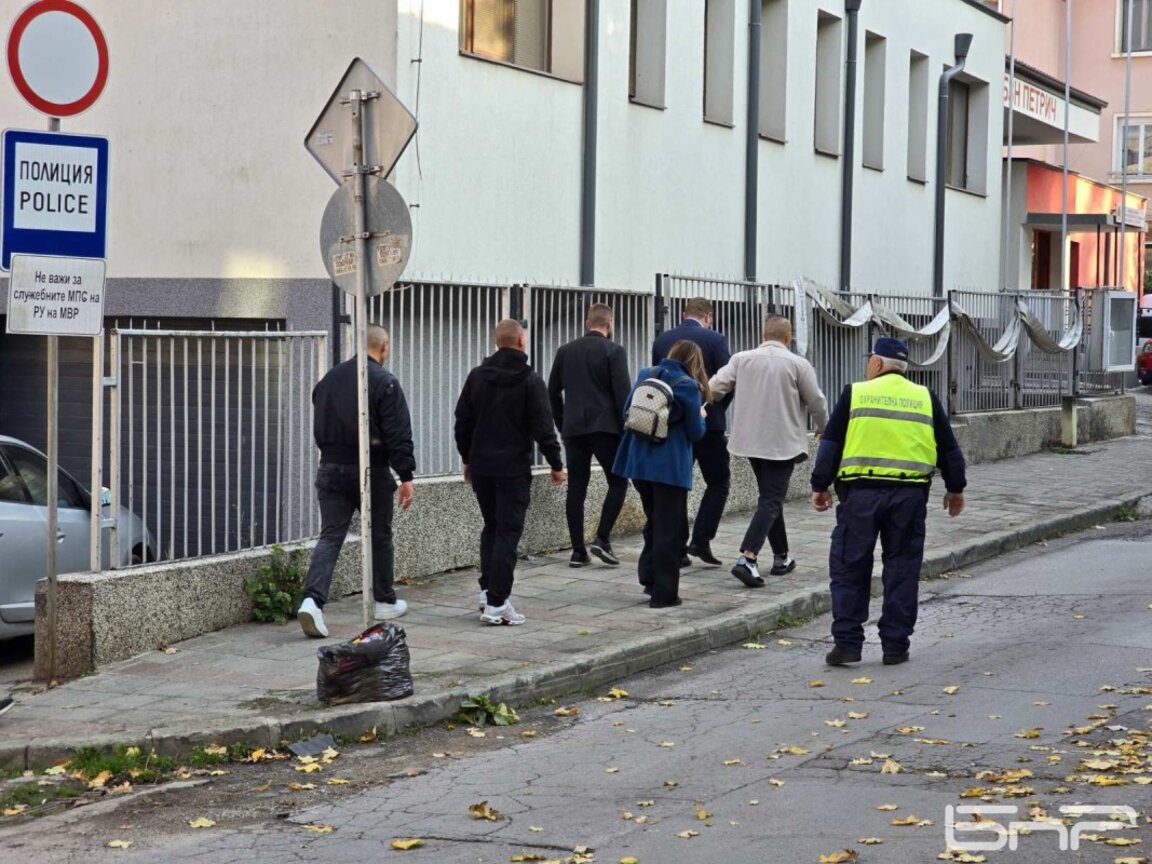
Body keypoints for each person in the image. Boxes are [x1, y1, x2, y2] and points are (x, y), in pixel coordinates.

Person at [810, 337, 967, 667]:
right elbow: (949, 449)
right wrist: (955, 489)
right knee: (902, 569)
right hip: (909, 498)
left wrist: (819, 485)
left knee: (850, 566)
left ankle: (848, 644)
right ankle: (895, 646)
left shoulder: (855, 393)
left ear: (877, 364)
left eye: (870, 360)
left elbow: (831, 443)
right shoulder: (925, 397)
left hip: (860, 497)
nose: (868, 366)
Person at [298, 325, 416, 639]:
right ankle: (384, 600)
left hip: (330, 467)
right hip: (370, 469)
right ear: (384, 346)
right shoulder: (384, 382)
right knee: (379, 534)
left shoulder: (329, 380)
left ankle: (312, 600)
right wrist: (406, 475)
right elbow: (397, 432)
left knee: (330, 536)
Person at [455, 319, 566, 626]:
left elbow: (462, 422)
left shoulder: (477, 377)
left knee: (491, 527)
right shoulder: (530, 380)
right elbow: (543, 427)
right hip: (513, 469)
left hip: (483, 469)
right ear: (520, 342)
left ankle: (487, 589)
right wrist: (556, 464)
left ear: (497, 342)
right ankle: (497, 603)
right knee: (507, 533)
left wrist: (468, 459)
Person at [710, 315, 828, 587]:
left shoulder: (741, 359)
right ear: (788, 337)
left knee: (769, 497)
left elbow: (715, 387)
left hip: (750, 441)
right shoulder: (798, 364)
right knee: (772, 499)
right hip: (782, 442)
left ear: (764, 335)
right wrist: (825, 427)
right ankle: (748, 557)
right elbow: (817, 401)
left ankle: (781, 557)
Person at [614, 340, 708, 608]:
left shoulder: (647, 374)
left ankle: (649, 577)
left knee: (654, 520)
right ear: (694, 362)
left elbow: (626, 412)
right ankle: (664, 594)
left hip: (638, 463)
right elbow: (696, 432)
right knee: (668, 528)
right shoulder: (689, 387)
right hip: (668, 467)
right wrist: (701, 415)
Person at [547, 303, 632, 568]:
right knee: (618, 483)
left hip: (574, 430)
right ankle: (602, 538)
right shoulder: (614, 351)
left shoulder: (565, 351)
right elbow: (623, 397)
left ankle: (577, 551)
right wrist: (625, 430)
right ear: (610, 324)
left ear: (587, 323)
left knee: (577, 489)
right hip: (606, 428)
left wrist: (562, 425)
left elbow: (552, 392)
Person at [651, 298, 732, 567]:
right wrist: (713, 408)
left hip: (672, 426)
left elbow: (657, 380)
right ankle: (701, 539)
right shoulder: (716, 340)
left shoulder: (663, 340)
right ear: (708, 316)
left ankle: (677, 547)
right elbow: (728, 381)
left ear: (684, 314)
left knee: (678, 485)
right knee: (718, 481)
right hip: (708, 423)